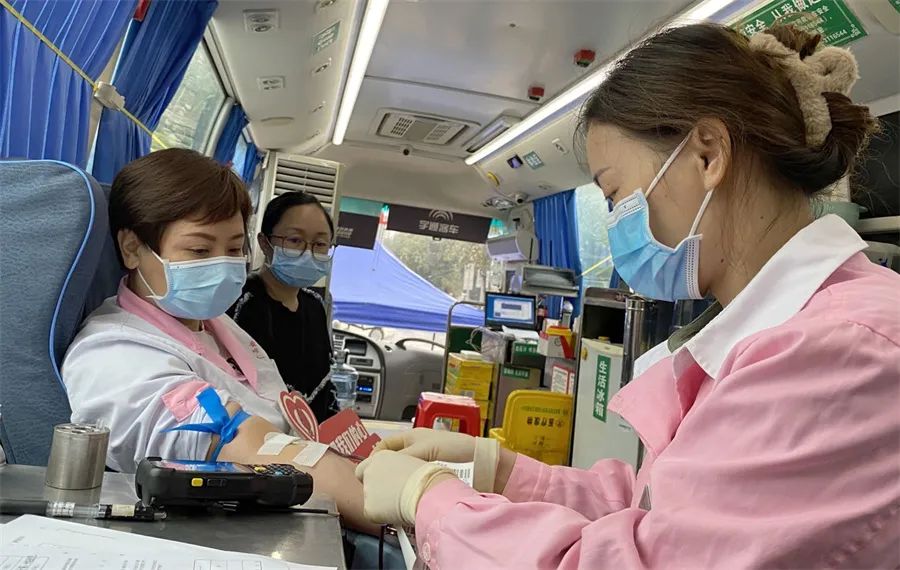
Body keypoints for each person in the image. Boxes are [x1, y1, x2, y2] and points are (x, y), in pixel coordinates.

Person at [354, 23, 900, 568]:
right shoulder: (778, 336)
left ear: (708, 155)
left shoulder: (841, 350)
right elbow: (661, 510)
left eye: (615, 194)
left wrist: (429, 498)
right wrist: (499, 469)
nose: (619, 224)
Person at [62, 149, 376, 535]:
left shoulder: (216, 326)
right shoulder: (113, 355)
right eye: (200, 250)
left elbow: (280, 416)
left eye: (234, 249)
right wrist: (407, 501)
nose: (224, 265)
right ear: (132, 248)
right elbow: (246, 442)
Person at [229, 192, 339, 423]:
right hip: (255, 433)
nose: (308, 253)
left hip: (311, 438)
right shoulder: (238, 301)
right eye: (295, 240)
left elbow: (325, 388)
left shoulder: (315, 306)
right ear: (264, 243)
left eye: (320, 244)